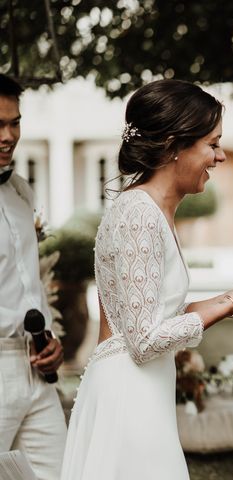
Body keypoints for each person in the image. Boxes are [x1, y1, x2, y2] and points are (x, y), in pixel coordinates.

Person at [60, 79, 233, 480]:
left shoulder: (152, 210)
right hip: (129, 399)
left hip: (140, 392)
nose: (221, 156)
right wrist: (228, 304)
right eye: (212, 144)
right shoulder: (140, 213)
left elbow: (159, 315)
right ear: (176, 146)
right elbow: (144, 340)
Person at [0, 73, 67, 479]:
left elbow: (27, 281)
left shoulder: (22, 192)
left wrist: (50, 339)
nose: (8, 136)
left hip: (36, 367)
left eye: (15, 122)